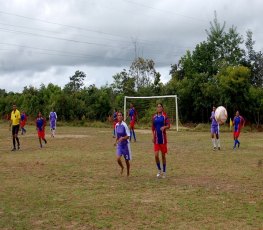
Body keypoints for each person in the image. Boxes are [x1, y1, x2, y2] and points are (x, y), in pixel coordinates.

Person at [152, 103, 170, 178]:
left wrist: (164, 127)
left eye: (160, 107)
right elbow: (153, 128)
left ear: (162, 108)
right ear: (156, 108)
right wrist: (153, 136)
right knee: (156, 155)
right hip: (156, 139)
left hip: (163, 139)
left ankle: (164, 171)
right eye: (158, 107)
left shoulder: (165, 116)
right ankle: (159, 170)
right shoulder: (154, 117)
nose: (159, 108)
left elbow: (169, 126)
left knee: (163, 156)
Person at [114, 112, 132, 176]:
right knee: (118, 159)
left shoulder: (125, 125)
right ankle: (122, 167)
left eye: (120, 115)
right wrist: (115, 142)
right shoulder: (116, 125)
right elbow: (117, 135)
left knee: (126, 160)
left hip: (125, 145)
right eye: (118, 115)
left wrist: (123, 138)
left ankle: (128, 172)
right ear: (117, 117)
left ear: (122, 117)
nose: (119, 116)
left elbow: (128, 136)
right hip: (120, 145)